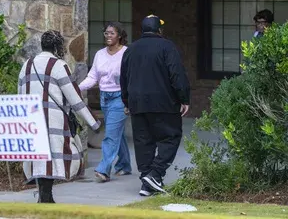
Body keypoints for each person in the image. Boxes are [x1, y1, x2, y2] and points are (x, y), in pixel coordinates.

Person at [18, 30, 101, 203]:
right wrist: (94, 123)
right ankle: (46, 198)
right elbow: (75, 98)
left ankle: (44, 196)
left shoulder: (26, 65)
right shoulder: (58, 65)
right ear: (57, 47)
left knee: (39, 159)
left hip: (31, 122)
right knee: (54, 158)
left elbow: (19, 94)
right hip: (53, 122)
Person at [120, 15, 190, 197]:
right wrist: (184, 98)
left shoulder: (130, 50)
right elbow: (177, 75)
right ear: (159, 30)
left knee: (143, 142)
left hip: (137, 103)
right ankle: (155, 174)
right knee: (171, 137)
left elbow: (124, 78)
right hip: (164, 103)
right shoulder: (167, 47)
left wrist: (126, 101)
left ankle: (147, 181)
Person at [79, 22, 132, 182]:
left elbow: (131, 77)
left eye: (112, 33)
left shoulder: (126, 53)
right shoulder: (100, 54)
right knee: (117, 133)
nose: (108, 36)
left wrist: (130, 101)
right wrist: (76, 88)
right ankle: (124, 165)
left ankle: (104, 170)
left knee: (110, 135)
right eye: (106, 33)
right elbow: (93, 77)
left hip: (120, 98)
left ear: (120, 35)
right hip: (105, 97)